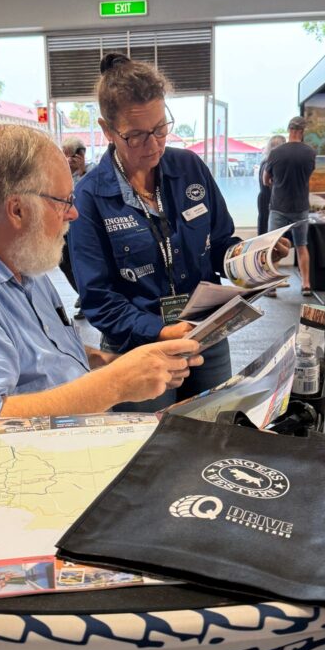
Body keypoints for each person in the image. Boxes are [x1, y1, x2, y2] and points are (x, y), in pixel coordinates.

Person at [0, 124, 202, 422]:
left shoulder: (16, 258)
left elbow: (38, 359)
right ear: (17, 210)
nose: (73, 213)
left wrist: (108, 363)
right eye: (63, 201)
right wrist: (115, 384)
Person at [68, 54, 249, 411]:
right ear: (108, 130)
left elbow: (222, 243)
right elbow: (98, 297)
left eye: (161, 129)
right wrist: (160, 331)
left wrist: (253, 259)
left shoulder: (190, 168)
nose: (153, 145)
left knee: (211, 433)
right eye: (136, 136)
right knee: (145, 451)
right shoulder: (89, 197)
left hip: (205, 335)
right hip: (137, 351)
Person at [263, 116, 316, 296]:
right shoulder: (310, 153)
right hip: (300, 206)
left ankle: (271, 285)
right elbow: (309, 175)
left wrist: (275, 182)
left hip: (278, 205)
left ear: (289, 130)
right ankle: (306, 284)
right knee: (302, 246)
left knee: (273, 246)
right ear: (302, 132)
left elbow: (265, 179)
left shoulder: (276, 153)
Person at [57, 139, 91, 314]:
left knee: (84, 264)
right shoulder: (61, 174)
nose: (68, 159)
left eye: (72, 155)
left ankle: (89, 297)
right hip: (65, 226)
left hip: (85, 227)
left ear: (82, 154)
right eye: (65, 154)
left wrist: (82, 170)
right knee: (64, 262)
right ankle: (82, 293)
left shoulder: (92, 172)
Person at [257, 134, 285, 235]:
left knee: (263, 226)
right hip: (271, 199)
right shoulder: (272, 164)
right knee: (270, 230)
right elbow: (270, 183)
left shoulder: (265, 161)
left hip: (263, 197)